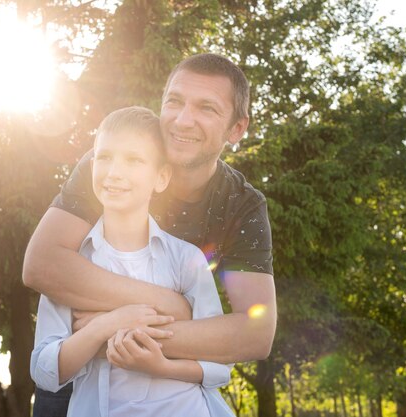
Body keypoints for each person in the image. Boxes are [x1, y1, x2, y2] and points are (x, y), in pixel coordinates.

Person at [24, 53, 277, 416]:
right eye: (174, 101)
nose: (182, 119)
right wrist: (169, 305)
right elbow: (43, 264)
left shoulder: (242, 205)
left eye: (206, 108)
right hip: (77, 382)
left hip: (168, 392)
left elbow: (255, 332)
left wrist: (118, 334)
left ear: (236, 129)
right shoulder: (112, 166)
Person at [31, 106, 234, 417]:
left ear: (161, 177)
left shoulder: (185, 260)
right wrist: (104, 326)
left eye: (134, 160)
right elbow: (45, 371)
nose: (114, 172)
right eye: (104, 157)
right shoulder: (71, 267)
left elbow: (220, 364)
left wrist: (161, 365)